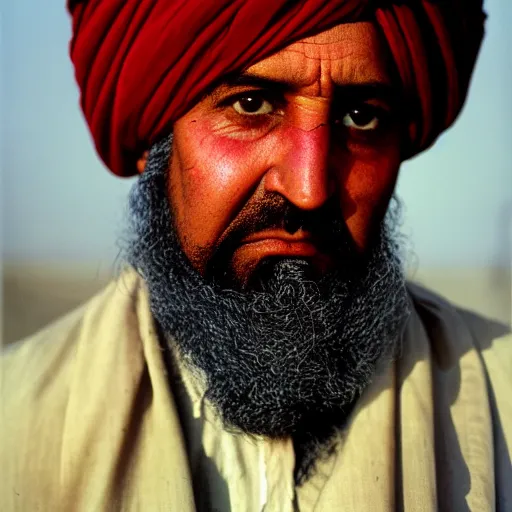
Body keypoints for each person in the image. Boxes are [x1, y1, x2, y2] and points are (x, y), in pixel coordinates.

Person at [2, 1, 511, 511]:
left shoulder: (501, 404)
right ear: (154, 135)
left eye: (361, 117)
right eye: (251, 105)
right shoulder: (17, 424)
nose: (309, 190)